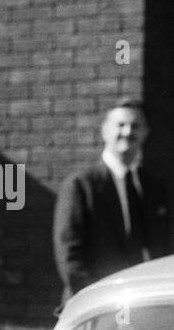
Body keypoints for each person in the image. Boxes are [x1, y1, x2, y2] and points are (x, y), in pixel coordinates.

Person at [54, 101, 170, 301]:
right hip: (96, 308)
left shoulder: (155, 189)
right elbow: (70, 258)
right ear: (105, 131)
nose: (128, 132)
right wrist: (102, 303)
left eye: (135, 126)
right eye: (121, 125)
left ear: (145, 133)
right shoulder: (81, 186)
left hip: (143, 304)